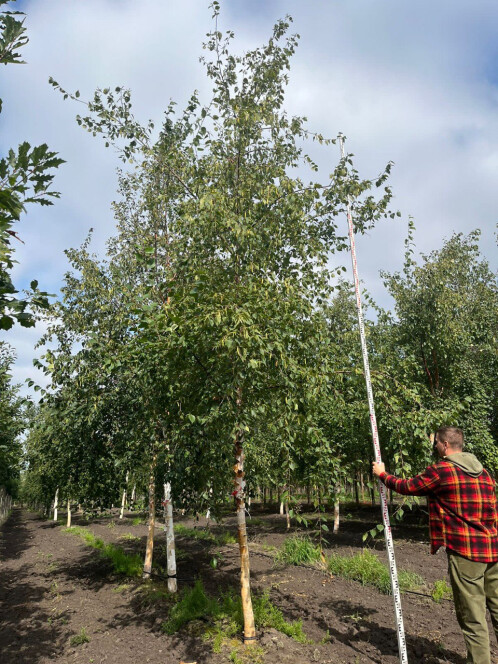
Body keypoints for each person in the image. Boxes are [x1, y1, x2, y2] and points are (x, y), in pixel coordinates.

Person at [372, 426, 498, 664]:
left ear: (445, 445)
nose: (435, 447)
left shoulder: (442, 470)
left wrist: (382, 474)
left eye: (437, 444)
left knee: (473, 618)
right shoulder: (485, 474)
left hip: (466, 553)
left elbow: (408, 486)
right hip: (493, 549)